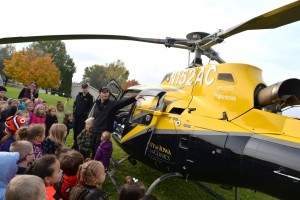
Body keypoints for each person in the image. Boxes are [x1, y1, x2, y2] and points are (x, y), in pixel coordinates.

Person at [92, 86, 143, 157]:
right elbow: (95, 117)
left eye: (107, 92)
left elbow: (123, 102)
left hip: (104, 133)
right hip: (95, 131)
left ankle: (101, 167)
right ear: (99, 93)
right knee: (94, 150)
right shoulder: (96, 104)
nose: (105, 94)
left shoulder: (112, 104)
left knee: (102, 153)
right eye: (103, 92)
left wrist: (134, 98)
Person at [73, 83, 94, 150]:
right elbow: (75, 104)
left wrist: (86, 115)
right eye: (83, 88)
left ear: (88, 88)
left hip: (82, 118)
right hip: (76, 116)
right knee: (75, 130)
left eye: (86, 88)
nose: (85, 89)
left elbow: (91, 108)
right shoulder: (78, 95)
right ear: (82, 88)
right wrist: (74, 112)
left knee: (79, 131)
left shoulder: (90, 97)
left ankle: (77, 146)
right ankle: (74, 144)